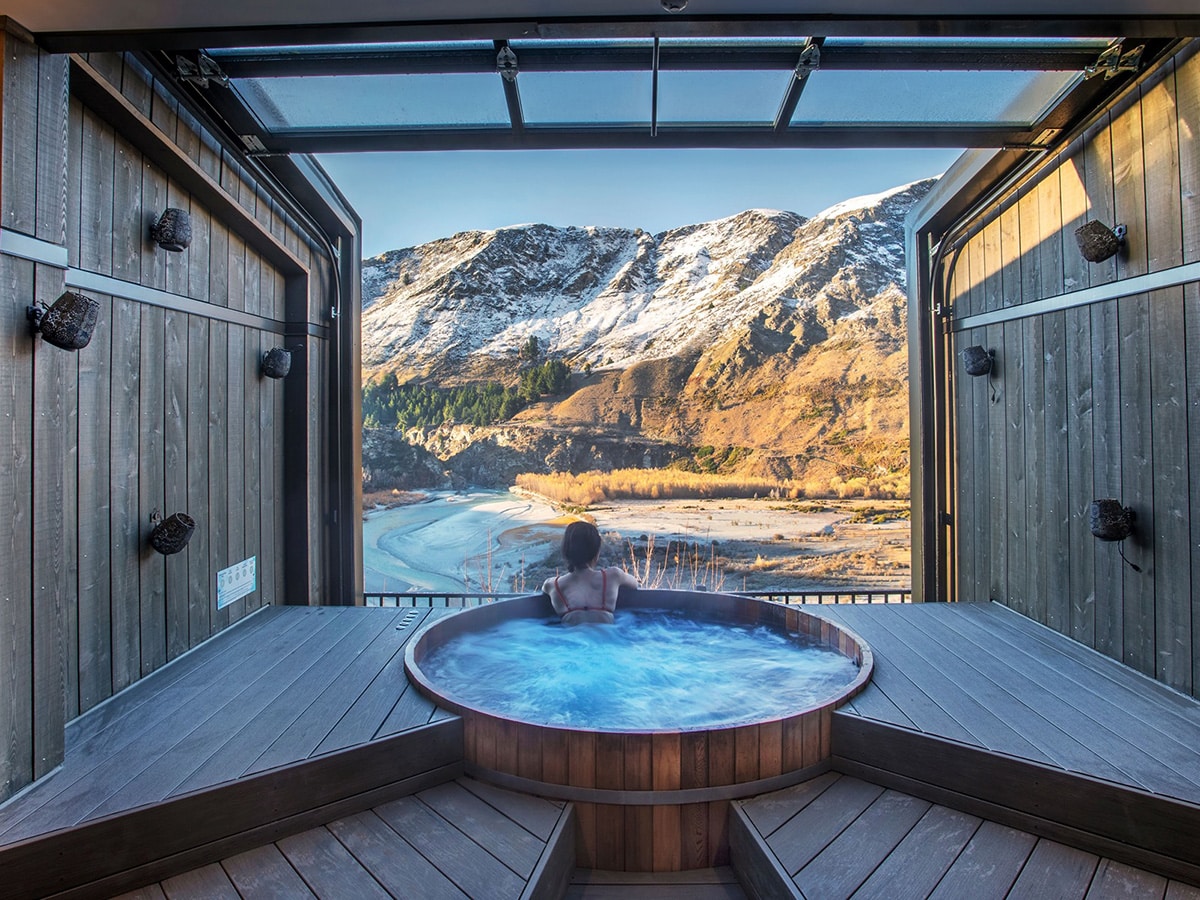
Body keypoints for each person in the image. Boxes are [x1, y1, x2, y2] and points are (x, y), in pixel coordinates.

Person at [542, 521, 639, 625]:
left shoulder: (553, 585)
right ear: (596, 553)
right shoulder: (613, 576)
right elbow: (635, 584)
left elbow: (544, 591)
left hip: (571, 638)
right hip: (607, 638)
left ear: (566, 552)